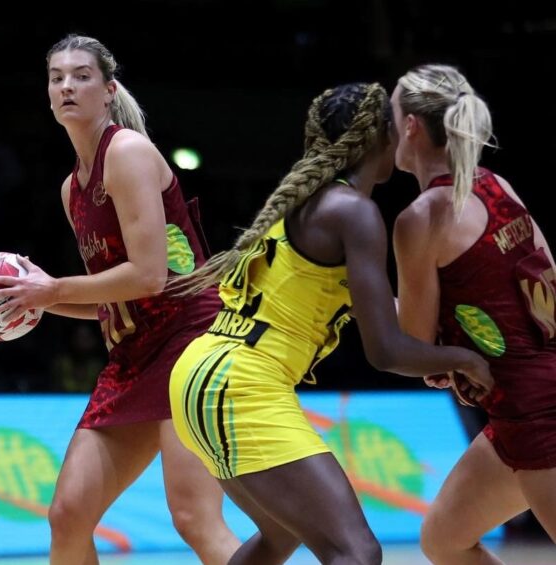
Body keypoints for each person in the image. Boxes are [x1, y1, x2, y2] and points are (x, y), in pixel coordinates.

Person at [167, 82, 494, 565]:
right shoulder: (354, 212)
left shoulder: (312, 201)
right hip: (240, 386)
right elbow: (385, 351)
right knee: (357, 552)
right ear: (380, 138)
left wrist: (443, 340)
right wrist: (466, 358)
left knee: (279, 537)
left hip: (210, 375)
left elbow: (386, 312)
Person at [0, 34, 240, 564]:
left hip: (190, 341)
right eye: (56, 78)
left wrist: (52, 288)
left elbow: (147, 277)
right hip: (133, 354)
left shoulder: (127, 151)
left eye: (81, 75)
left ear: (108, 90)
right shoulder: (71, 189)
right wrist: (36, 301)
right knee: (68, 516)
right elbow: (113, 297)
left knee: (194, 519)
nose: (67, 86)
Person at [390, 63, 556, 564]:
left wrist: (361, 298)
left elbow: (414, 350)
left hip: (538, 414)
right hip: (520, 404)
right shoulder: (497, 186)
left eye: (390, 115)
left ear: (412, 126)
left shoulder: (421, 219)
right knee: (444, 538)